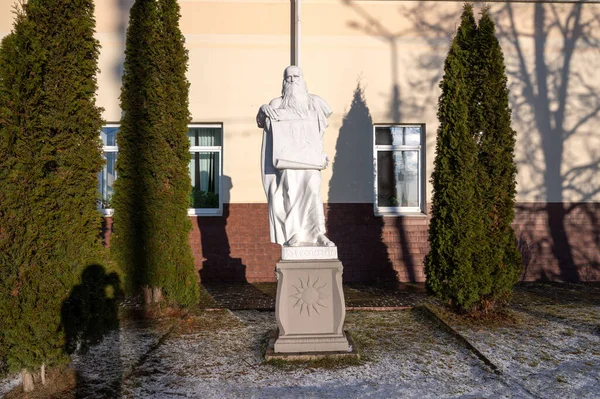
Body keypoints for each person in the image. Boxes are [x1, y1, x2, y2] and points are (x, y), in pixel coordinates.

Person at [256, 66, 334, 247]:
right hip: (287, 161)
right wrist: (263, 109)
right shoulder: (277, 103)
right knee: (290, 192)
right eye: (288, 77)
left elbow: (326, 115)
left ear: (303, 79)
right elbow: (262, 123)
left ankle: (317, 233)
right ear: (284, 81)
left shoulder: (314, 101)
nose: (291, 80)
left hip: (310, 160)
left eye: (295, 76)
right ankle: (294, 234)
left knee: (314, 189)